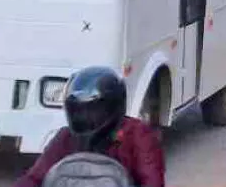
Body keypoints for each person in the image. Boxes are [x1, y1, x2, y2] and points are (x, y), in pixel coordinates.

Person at [14, 67, 166, 187]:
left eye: (94, 111)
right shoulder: (66, 136)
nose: (85, 117)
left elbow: (152, 181)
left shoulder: (137, 135)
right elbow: (34, 178)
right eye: (78, 111)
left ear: (114, 106)